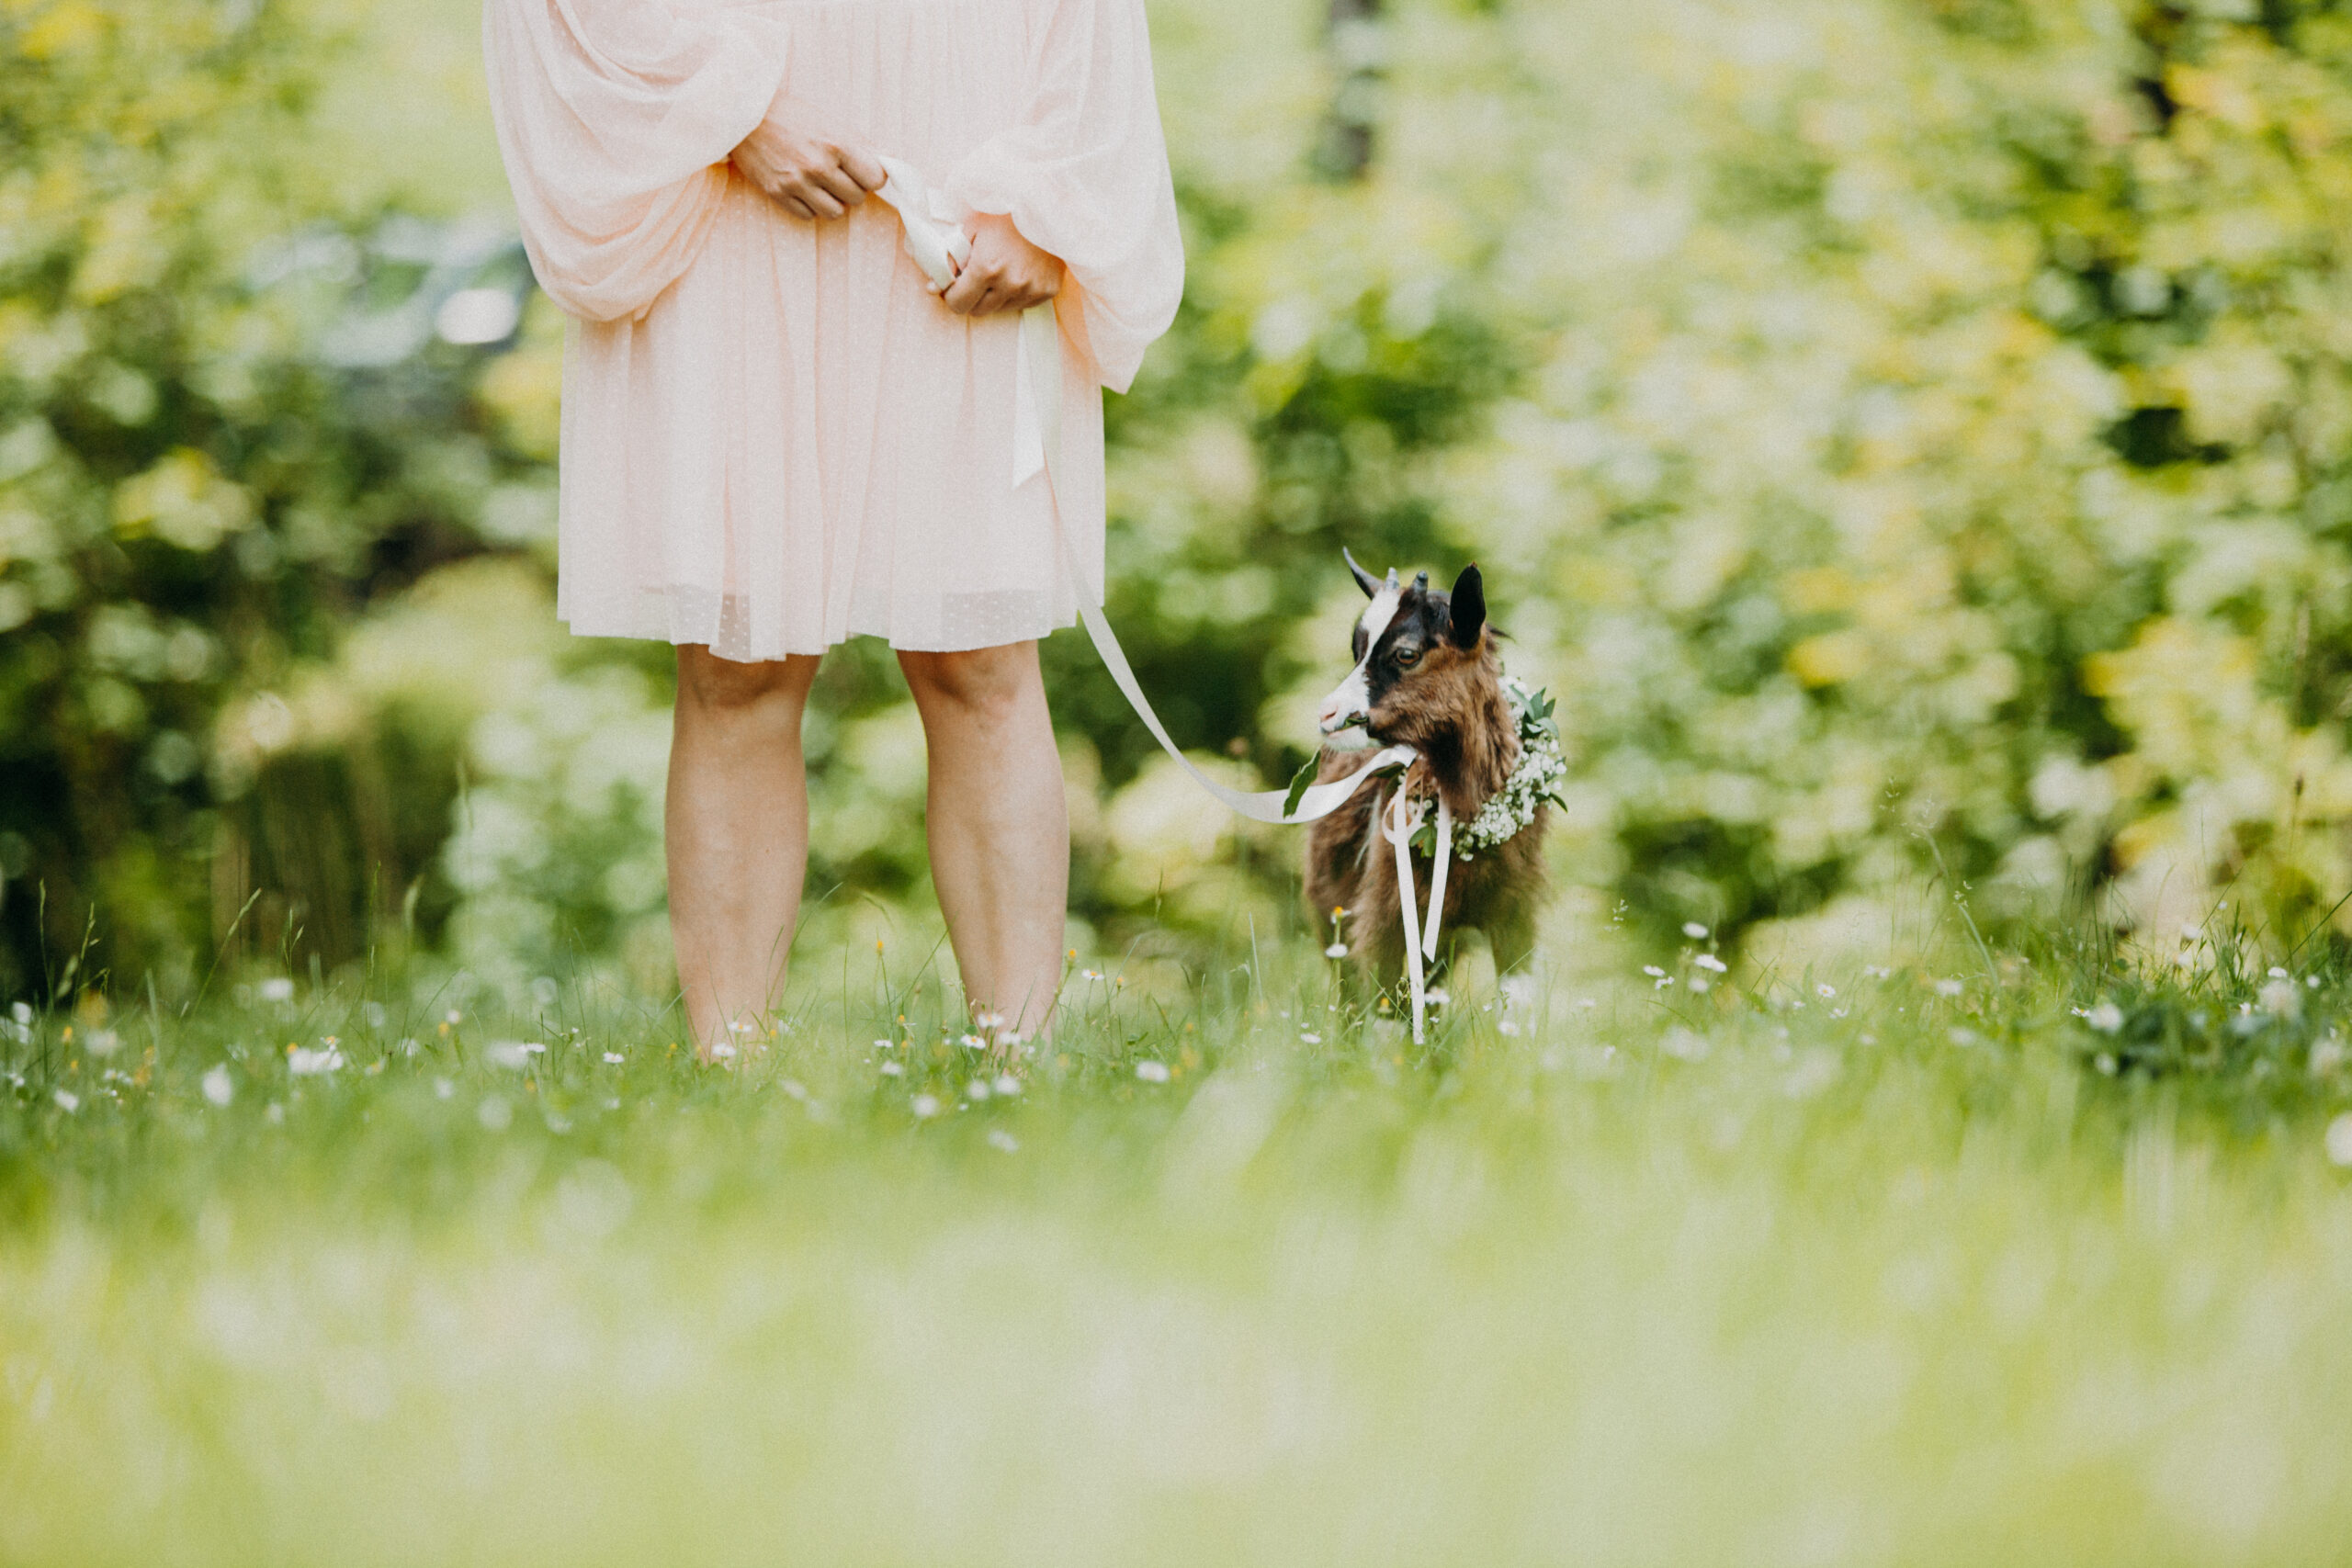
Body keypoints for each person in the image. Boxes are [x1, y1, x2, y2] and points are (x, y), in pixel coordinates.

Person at [482, 0, 1182, 1058]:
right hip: (721, 203)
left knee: (981, 661)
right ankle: (733, 1068)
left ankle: (1020, 1064)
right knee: (735, 666)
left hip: (960, 184)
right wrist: (728, 113)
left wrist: (1048, 199)